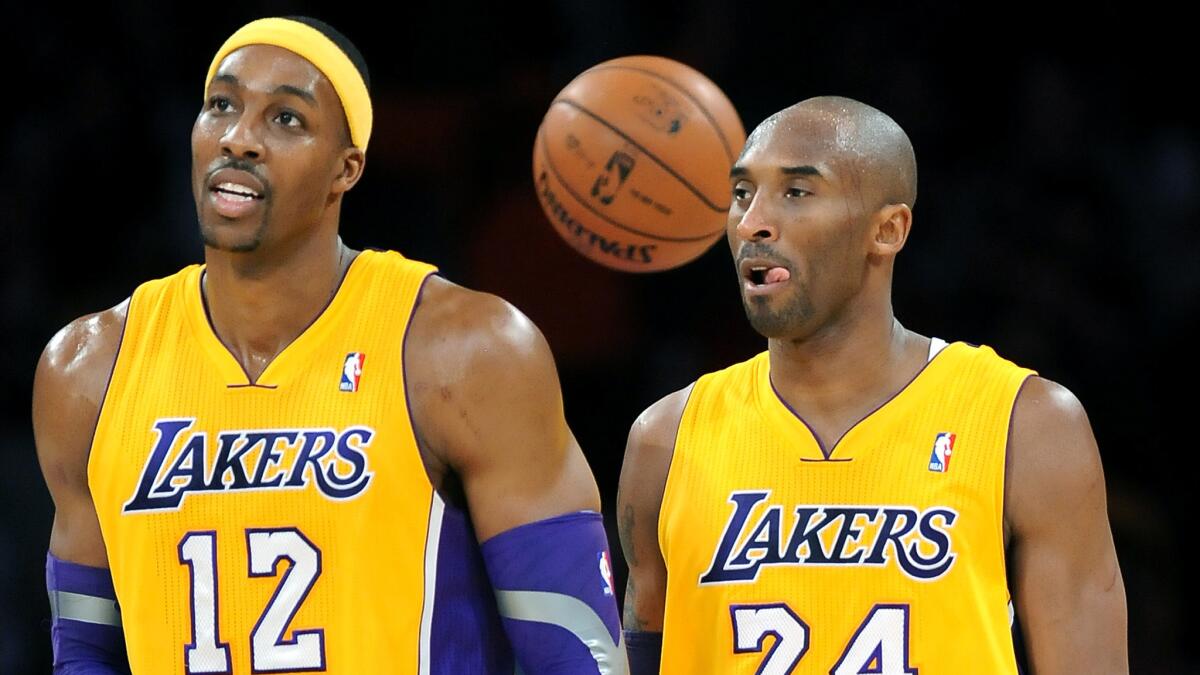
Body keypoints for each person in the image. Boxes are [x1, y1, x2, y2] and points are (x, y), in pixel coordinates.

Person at [34, 16, 626, 674]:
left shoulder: (461, 351)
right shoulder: (89, 368)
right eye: (221, 105)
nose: (238, 139)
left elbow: (575, 650)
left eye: (286, 119)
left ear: (346, 169)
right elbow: (86, 653)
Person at [617, 96, 1127, 674]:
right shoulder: (666, 439)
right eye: (741, 194)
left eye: (796, 192)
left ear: (887, 230)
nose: (754, 220)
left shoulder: (1026, 424)